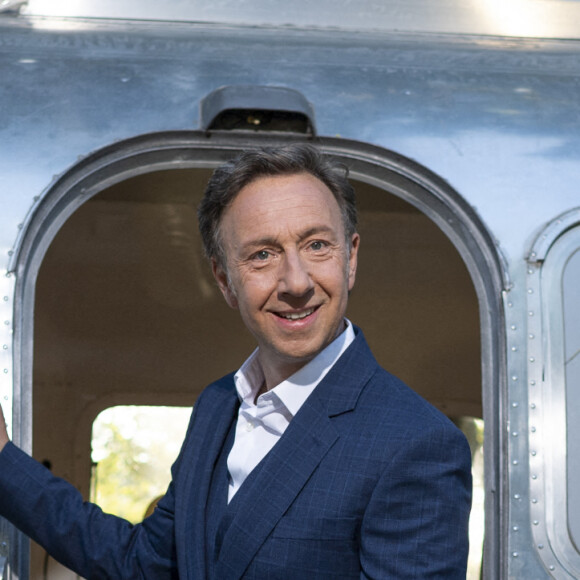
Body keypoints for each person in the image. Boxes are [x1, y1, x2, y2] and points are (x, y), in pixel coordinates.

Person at [0, 143, 472, 579]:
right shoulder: (218, 405)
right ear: (225, 280)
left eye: (317, 245)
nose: (296, 281)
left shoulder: (418, 444)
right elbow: (144, 564)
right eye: (263, 255)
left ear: (350, 259)